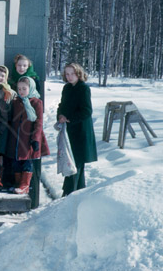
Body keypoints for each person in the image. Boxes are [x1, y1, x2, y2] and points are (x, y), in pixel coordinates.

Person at [57, 63, 97, 196]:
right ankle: (77, 192)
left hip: (81, 131)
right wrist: (60, 115)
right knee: (71, 162)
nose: (69, 77)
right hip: (69, 131)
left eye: (72, 74)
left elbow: (87, 111)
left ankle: (69, 193)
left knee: (76, 163)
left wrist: (69, 118)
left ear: (78, 74)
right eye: (67, 74)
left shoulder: (83, 88)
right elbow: (62, 105)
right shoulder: (67, 88)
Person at [6, 77, 50, 195]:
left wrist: (35, 139)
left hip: (28, 138)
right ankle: (17, 183)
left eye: (24, 88)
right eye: (19, 88)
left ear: (30, 88)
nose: (21, 91)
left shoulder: (36, 102)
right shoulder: (16, 102)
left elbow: (39, 122)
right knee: (16, 162)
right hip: (16, 138)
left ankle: (25, 185)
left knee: (27, 162)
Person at [0, 65, 17, 188]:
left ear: (6, 77)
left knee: (2, 153)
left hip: (5, 127)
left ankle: (0, 178)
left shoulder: (10, 93)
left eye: (2, 76)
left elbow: (11, 112)